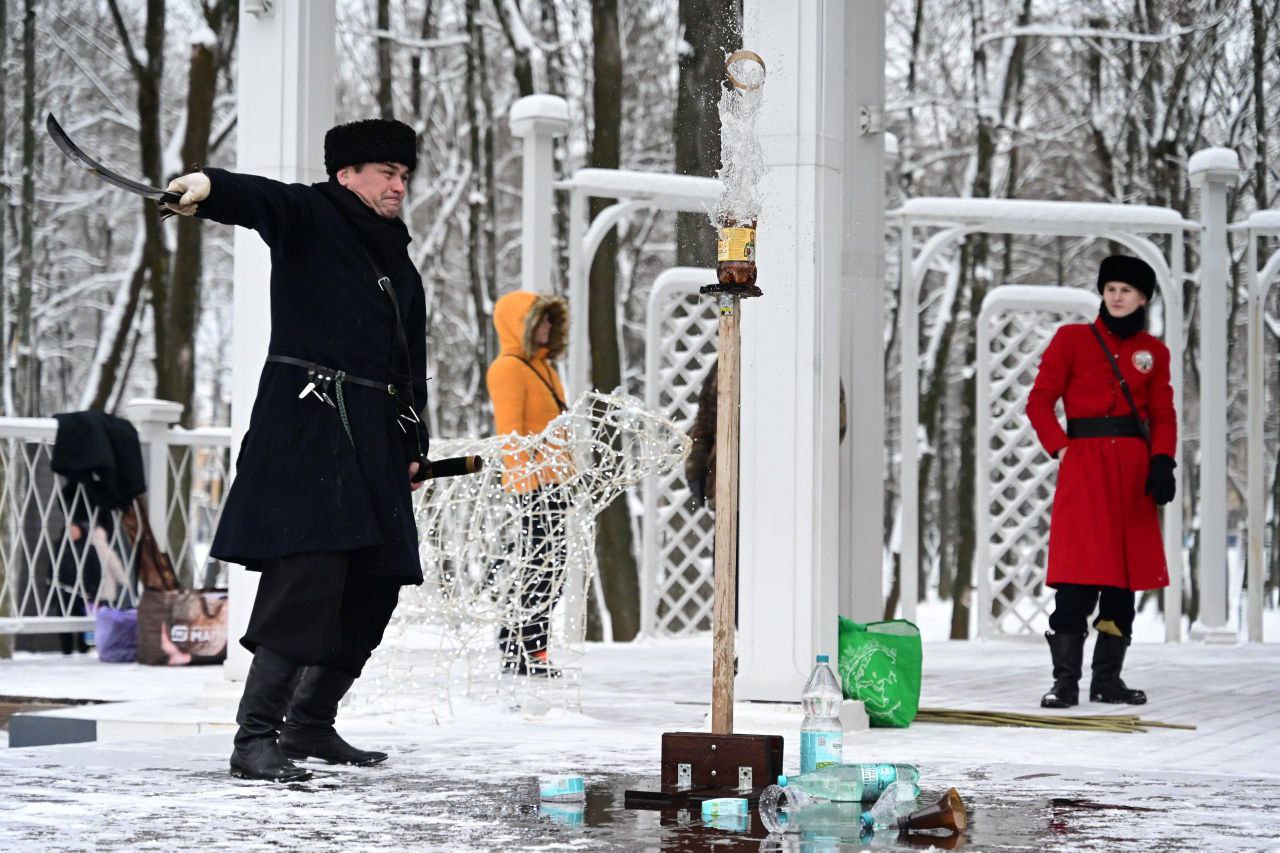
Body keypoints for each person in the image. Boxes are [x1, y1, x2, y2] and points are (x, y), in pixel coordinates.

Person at [164, 118, 431, 782]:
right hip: (310, 424)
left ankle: (310, 723)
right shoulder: (312, 215)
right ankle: (254, 738)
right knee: (309, 575)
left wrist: (412, 440)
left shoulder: (397, 259)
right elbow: (262, 199)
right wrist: (208, 186)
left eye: (404, 174)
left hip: (376, 434)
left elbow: (410, 362)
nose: (399, 185)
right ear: (347, 174)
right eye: (386, 173)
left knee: (379, 580)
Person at [1026, 254, 1177, 709]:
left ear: (1142, 298)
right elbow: (1039, 401)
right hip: (1085, 468)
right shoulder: (1071, 339)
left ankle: (1107, 680)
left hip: (1132, 473)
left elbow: (1163, 413)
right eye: (1110, 289)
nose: (1116, 297)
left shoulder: (1154, 352)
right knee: (1076, 577)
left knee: (1121, 582)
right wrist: (1061, 447)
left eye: (1126, 290)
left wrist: (1163, 461)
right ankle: (1065, 682)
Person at [485, 290, 570, 677]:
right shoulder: (507, 369)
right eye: (541, 319)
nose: (548, 326)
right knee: (538, 567)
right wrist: (527, 487)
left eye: (551, 319)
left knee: (552, 568)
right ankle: (521, 647)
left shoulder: (545, 368)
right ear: (522, 324)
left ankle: (530, 645)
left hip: (555, 484)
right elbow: (511, 436)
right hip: (533, 487)